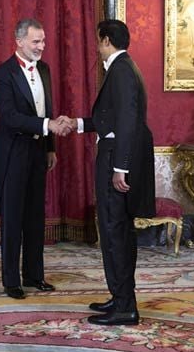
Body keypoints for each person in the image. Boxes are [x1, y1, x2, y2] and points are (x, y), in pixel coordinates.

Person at [65, 19, 156, 326]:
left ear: (105, 40)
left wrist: (120, 167)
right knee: (114, 230)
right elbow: (110, 118)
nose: (97, 46)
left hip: (115, 160)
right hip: (115, 155)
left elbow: (128, 121)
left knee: (115, 231)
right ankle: (119, 296)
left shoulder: (120, 70)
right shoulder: (125, 67)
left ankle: (125, 306)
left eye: (98, 40)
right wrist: (77, 124)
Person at [0, 18, 70, 300]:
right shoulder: (2, 74)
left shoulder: (45, 69)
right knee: (13, 218)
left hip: (39, 153)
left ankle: (34, 276)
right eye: (36, 41)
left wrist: (50, 148)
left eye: (43, 41)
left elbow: (46, 107)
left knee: (36, 217)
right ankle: (11, 280)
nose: (41, 46)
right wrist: (48, 126)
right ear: (19, 41)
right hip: (14, 153)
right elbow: (10, 118)